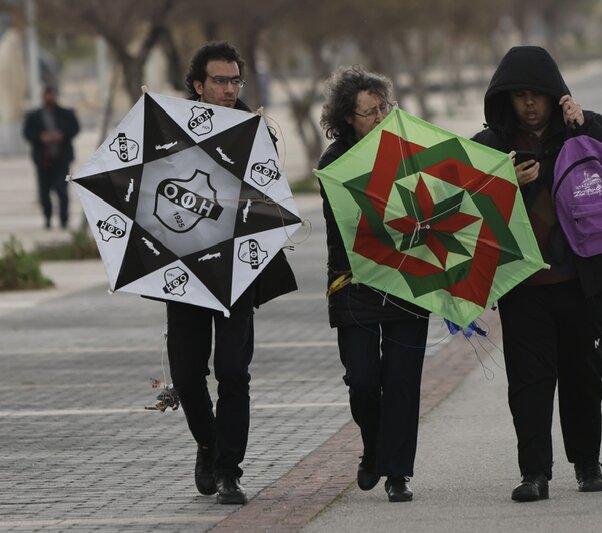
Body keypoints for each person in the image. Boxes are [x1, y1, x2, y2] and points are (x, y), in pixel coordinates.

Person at [471, 46, 602, 502]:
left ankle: (587, 463)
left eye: (537, 95)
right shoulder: (489, 147)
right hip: (522, 286)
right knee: (528, 380)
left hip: (582, 281)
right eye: (519, 95)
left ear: (554, 95)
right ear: (505, 99)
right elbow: (462, 207)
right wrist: (507, 184)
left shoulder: (580, 131)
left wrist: (587, 125)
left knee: (582, 373)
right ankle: (534, 473)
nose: (529, 104)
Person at [167, 41, 297, 505]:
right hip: (183, 270)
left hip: (238, 270)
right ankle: (208, 442)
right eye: (219, 81)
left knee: (233, 371)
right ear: (198, 85)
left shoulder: (257, 133)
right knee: (185, 374)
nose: (228, 89)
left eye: (235, 81)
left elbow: (269, 204)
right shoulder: (170, 131)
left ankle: (229, 471)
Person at [317, 65, 429, 502]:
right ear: (348, 118)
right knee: (362, 380)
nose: (381, 118)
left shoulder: (411, 151)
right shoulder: (333, 164)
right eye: (369, 113)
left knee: (403, 379)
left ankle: (397, 472)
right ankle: (373, 448)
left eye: (385, 108)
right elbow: (353, 221)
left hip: (409, 278)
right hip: (354, 282)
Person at [22, 85, 80, 229]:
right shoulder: (34, 116)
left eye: (51, 94)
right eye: (47, 95)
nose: (49, 97)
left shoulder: (66, 113)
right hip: (43, 161)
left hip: (62, 160)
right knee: (44, 193)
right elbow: (27, 133)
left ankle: (64, 220)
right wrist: (41, 137)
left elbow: (75, 128)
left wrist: (63, 135)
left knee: (62, 190)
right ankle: (47, 218)